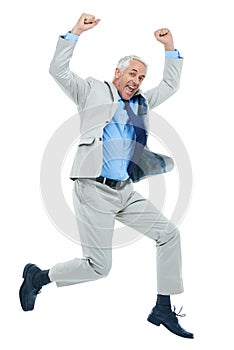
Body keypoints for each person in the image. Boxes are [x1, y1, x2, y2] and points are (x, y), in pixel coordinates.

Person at [19, 13, 193, 339]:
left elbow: (170, 85)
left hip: (124, 191)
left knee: (169, 234)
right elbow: (57, 70)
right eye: (132, 73)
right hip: (93, 189)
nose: (136, 81)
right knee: (99, 268)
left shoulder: (141, 103)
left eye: (141, 77)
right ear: (117, 73)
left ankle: (163, 308)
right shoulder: (91, 91)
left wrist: (169, 46)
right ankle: (38, 278)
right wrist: (75, 33)